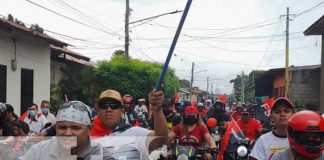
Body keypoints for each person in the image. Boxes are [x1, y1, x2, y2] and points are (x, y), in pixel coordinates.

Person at [93, 89, 168, 159]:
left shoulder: (134, 133)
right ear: (98, 110)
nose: (109, 109)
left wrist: (157, 110)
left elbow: (160, 141)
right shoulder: (85, 135)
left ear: (122, 111)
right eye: (104, 105)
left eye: (114, 105)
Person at [23, 101, 112, 160]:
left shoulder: (101, 156)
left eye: (75, 128)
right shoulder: (38, 151)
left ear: (89, 130)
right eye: (62, 127)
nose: (68, 133)